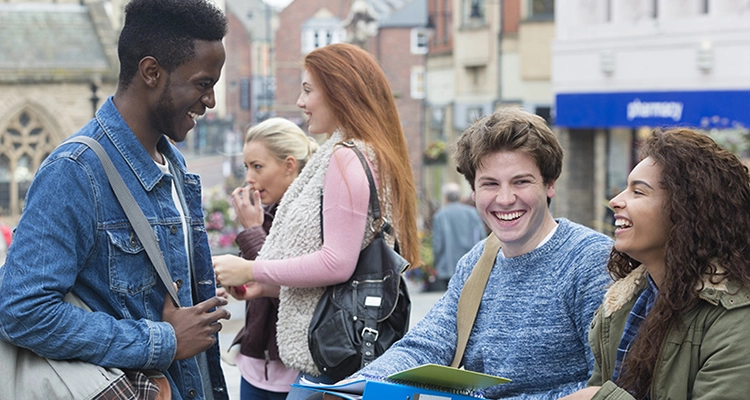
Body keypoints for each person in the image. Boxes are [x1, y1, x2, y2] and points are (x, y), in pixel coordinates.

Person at [0, 0, 231, 398]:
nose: (210, 101)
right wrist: (162, 341)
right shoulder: (75, 172)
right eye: (202, 83)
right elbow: (22, 312)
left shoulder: (173, 166)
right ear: (151, 72)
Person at [340, 107, 614, 399]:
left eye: (521, 182)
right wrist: (358, 386)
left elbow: (609, 386)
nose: (505, 199)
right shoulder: (477, 261)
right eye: (490, 184)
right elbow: (428, 343)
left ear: (549, 184)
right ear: (473, 192)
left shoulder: (590, 260)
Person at [212, 42, 419, 400]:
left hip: (331, 357)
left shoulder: (345, 158)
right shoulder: (370, 153)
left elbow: (337, 263)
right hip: (346, 350)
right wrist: (262, 288)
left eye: (308, 90)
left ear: (339, 91)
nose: (300, 102)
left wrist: (251, 271)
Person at [562, 128, 750, 400]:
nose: (616, 201)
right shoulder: (620, 305)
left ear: (686, 211)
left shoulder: (735, 315)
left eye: (638, 191)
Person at [225, 118, 319, 400]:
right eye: (246, 167)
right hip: (254, 363)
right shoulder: (263, 211)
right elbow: (259, 280)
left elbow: (288, 282)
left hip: (292, 368)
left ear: (289, 166)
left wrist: (253, 230)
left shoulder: (310, 214)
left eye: (258, 166)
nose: (249, 178)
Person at [430, 182, 486, 291]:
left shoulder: (440, 216)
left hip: (448, 267)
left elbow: (438, 244)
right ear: (460, 197)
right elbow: (481, 236)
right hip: (472, 265)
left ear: (445, 198)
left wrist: (436, 262)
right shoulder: (472, 213)